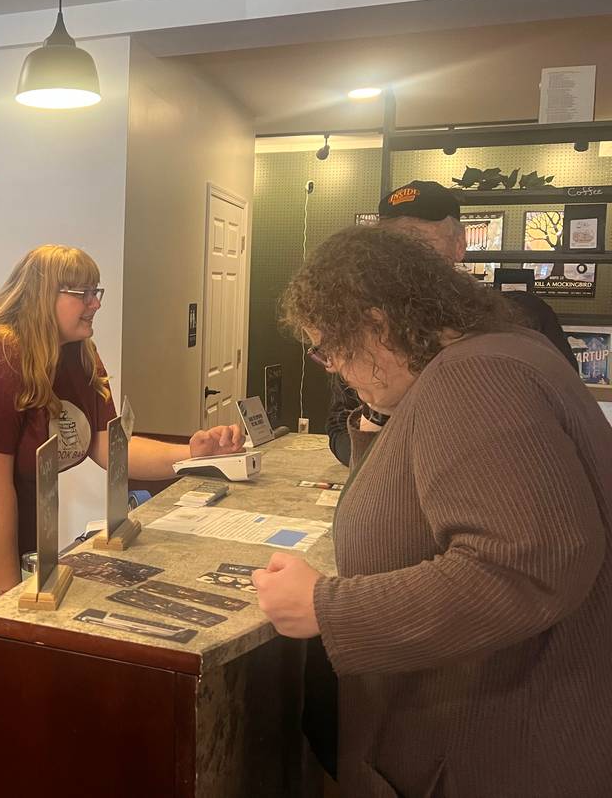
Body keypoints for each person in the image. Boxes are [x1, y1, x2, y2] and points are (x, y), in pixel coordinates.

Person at [254, 225, 612, 797]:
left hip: (497, 751)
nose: (332, 366)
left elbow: (524, 566)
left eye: (328, 348)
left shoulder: (474, 376)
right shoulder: (502, 350)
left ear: (377, 326)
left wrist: (329, 608)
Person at [0, 245, 244, 619]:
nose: (95, 304)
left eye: (96, 292)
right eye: (83, 293)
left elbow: (111, 448)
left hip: (2, 517)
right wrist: (6, 598)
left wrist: (192, 455)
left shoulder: (80, 352)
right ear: (42, 296)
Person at [326, 180, 578, 465]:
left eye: (418, 240)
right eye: (389, 243)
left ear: (459, 245)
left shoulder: (521, 316)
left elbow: (566, 416)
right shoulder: (368, 326)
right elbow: (339, 427)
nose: (402, 255)